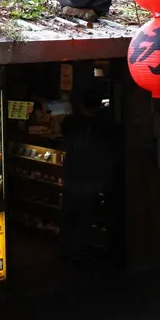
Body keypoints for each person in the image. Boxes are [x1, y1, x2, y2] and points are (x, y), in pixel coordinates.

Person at [59, 90, 115, 261]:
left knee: (68, 215)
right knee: (84, 217)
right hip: (92, 179)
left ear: (82, 104)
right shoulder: (104, 125)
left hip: (72, 176)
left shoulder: (71, 122)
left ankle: (64, 249)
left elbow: (64, 135)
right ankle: (78, 251)